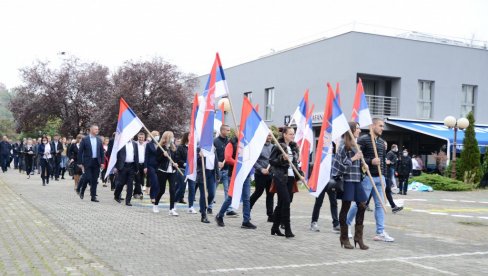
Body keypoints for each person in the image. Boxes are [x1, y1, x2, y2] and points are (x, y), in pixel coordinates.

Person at [347, 118, 394, 242]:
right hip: (367, 178)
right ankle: (346, 224)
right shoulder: (363, 140)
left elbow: (382, 161)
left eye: (383, 126)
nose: (382, 128)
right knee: (360, 204)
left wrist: (384, 177)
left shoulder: (382, 142)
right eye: (380, 126)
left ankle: (380, 232)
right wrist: (370, 161)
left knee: (380, 205)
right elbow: (357, 158)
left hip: (380, 178)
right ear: (372, 126)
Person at [332, 122, 369, 249]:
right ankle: (344, 237)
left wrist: (364, 166)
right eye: (357, 128)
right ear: (351, 130)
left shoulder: (356, 146)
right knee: (346, 207)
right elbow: (339, 167)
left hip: (357, 179)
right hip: (347, 181)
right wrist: (354, 158)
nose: (359, 130)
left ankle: (358, 238)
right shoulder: (343, 146)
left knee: (363, 205)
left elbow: (357, 166)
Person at [215, 136, 256, 229]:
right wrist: (239, 164)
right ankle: (220, 215)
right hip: (234, 175)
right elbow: (228, 158)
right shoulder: (231, 144)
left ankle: (246, 221)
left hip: (245, 174)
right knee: (231, 197)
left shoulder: (247, 144)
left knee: (246, 198)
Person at [269, 127, 300, 238]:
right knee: (286, 202)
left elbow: (295, 163)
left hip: (291, 178)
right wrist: (282, 158)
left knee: (282, 203)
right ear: (285, 135)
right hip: (280, 177)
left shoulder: (294, 147)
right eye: (291, 134)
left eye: (293, 134)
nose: (293, 135)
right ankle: (287, 229)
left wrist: (300, 173)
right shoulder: (278, 146)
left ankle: (275, 227)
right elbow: (271, 161)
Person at [310, 142, 339, 233]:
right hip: (321, 183)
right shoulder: (321, 156)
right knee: (318, 203)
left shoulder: (336, 157)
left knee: (334, 203)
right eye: (328, 147)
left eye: (332, 147)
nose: (330, 148)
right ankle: (314, 222)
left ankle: (336, 224)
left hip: (332, 183)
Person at [153, 131, 179, 216]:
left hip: (172, 171)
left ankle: (171, 209)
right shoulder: (160, 147)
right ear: (167, 137)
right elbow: (157, 160)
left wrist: (176, 163)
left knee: (172, 190)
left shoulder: (173, 148)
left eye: (173, 137)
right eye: (171, 137)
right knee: (162, 190)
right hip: (162, 171)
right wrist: (163, 155)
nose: (173, 138)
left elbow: (175, 159)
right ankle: (156, 204)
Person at [250, 133, 275, 222]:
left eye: (270, 135)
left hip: (270, 174)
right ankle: (247, 210)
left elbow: (275, 160)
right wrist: (261, 169)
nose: (269, 137)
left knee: (270, 194)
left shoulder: (274, 147)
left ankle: (270, 215)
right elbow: (254, 161)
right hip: (260, 174)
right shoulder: (258, 147)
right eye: (268, 135)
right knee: (258, 192)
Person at [213, 124, 237, 216]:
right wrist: (217, 162)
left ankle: (229, 209)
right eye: (227, 130)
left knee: (228, 190)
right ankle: (210, 206)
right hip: (217, 169)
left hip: (227, 170)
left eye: (229, 130)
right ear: (222, 130)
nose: (229, 132)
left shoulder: (230, 142)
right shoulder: (215, 141)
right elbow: (212, 154)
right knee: (213, 189)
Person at [77, 124, 105, 202]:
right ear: (91, 130)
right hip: (87, 162)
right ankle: (82, 190)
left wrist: (102, 162)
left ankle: (93, 196)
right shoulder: (85, 139)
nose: (97, 130)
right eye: (96, 129)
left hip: (96, 162)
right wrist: (80, 163)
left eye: (97, 129)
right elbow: (80, 152)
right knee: (87, 177)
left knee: (94, 180)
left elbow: (101, 152)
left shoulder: (99, 139)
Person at [113, 139, 139, 206]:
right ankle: (116, 195)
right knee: (121, 183)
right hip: (123, 166)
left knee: (130, 184)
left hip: (132, 166)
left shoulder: (135, 144)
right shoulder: (121, 143)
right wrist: (116, 166)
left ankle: (128, 201)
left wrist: (137, 168)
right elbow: (116, 155)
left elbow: (136, 156)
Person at [384, 142, 403, 213]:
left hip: (386, 173)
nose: (385, 146)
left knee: (387, 190)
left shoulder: (388, 153)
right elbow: (387, 162)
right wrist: (391, 163)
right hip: (383, 173)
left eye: (386, 145)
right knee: (372, 190)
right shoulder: (389, 153)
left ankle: (394, 207)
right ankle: (364, 204)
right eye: (384, 145)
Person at [144, 130, 160, 204]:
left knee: (158, 182)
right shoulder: (149, 144)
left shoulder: (160, 144)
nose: (157, 136)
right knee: (154, 181)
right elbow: (146, 156)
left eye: (158, 135)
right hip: (151, 165)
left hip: (159, 165)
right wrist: (145, 167)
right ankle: (152, 196)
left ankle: (156, 196)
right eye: (155, 135)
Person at [175, 132, 190, 207]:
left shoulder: (192, 147)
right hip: (182, 168)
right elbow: (177, 158)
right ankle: (175, 198)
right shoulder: (181, 147)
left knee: (184, 185)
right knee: (181, 184)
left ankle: (181, 198)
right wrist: (184, 164)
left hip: (189, 169)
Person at [133, 132, 146, 200]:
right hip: (136, 165)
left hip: (143, 165)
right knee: (137, 179)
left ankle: (136, 193)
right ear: (138, 138)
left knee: (141, 179)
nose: (141, 139)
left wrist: (146, 166)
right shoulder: (135, 144)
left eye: (142, 138)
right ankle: (140, 193)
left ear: (144, 138)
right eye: (139, 137)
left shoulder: (145, 145)